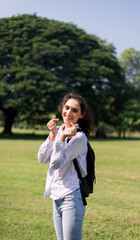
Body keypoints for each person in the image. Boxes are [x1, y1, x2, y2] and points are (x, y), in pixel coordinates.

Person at [37, 93, 94, 240]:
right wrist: (53, 135)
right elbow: (42, 158)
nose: (68, 113)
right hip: (56, 196)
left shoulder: (79, 138)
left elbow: (56, 163)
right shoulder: (60, 130)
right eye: (66, 108)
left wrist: (61, 138)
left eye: (74, 110)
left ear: (82, 115)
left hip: (71, 198)